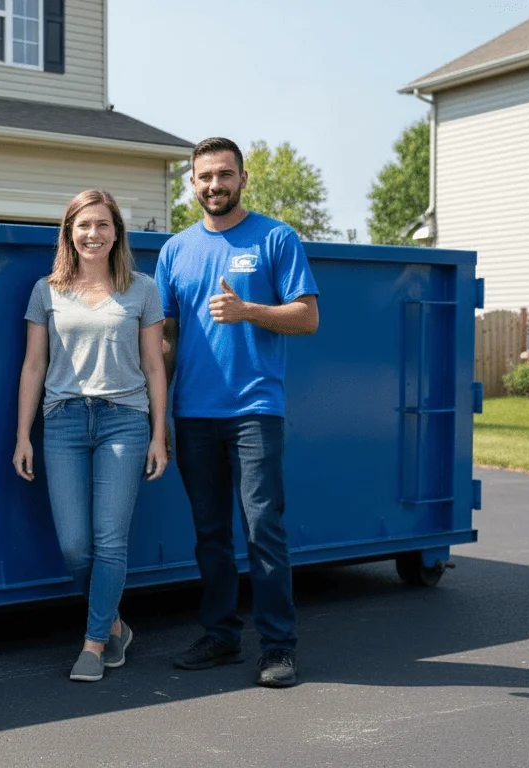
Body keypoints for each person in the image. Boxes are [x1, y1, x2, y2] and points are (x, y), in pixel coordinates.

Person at [155, 137, 320, 688]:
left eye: (224, 175)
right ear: (192, 182)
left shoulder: (276, 237)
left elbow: (307, 317)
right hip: (193, 413)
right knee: (209, 533)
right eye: (204, 177)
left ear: (243, 178)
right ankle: (221, 636)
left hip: (254, 411)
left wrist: (247, 310)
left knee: (263, 530)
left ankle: (279, 648)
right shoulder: (175, 250)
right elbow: (168, 338)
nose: (214, 186)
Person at [13, 189, 169, 683]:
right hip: (62, 423)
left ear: (117, 233)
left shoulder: (142, 289)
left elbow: (153, 365)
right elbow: (34, 365)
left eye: (103, 225)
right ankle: (116, 623)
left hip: (124, 420)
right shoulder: (48, 289)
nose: (93, 234)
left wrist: (159, 434)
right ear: (69, 232)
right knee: (76, 546)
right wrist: (23, 435)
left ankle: (94, 643)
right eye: (83, 225)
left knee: (110, 540)